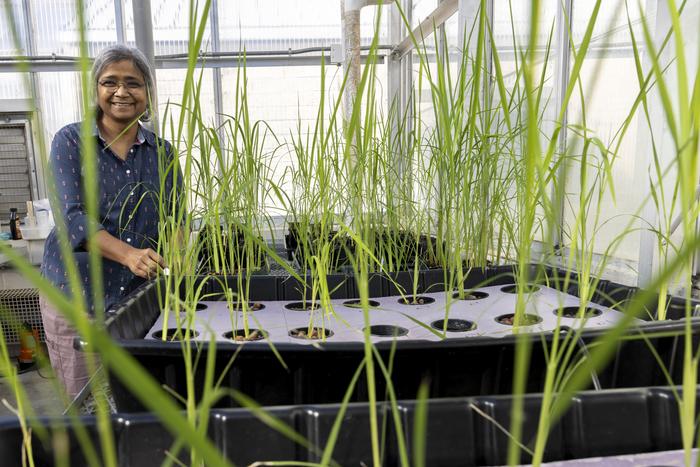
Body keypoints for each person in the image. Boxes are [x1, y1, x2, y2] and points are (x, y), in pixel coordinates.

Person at [40, 44, 181, 401]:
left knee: (136, 400)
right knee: (87, 405)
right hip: (78, 299)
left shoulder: (161, 152)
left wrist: (179, 270)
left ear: (148, 92)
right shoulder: (70, 141)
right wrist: (130, 255)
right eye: (110, 82)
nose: (122, 92)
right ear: (96, 90)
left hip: (138, 304)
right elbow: (72, 219)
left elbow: (176, 218)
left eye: (133, 83)